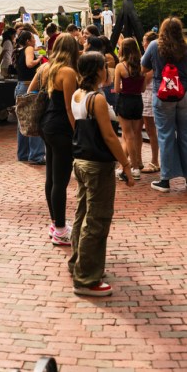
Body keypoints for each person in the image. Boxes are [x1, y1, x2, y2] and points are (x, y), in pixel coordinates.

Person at [68, 50, 133, 297]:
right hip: (97, 165)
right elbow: (109, 135)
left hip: (81, 161)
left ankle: (80, 264)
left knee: (82, 214)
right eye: (105, 67)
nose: (108, 70)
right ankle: (86, 279)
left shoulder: (77, 95)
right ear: (98, 70)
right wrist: (125, 164)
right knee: (97, 219)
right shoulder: (96, 99)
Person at [27, 34, 81, 245]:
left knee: (51, 177)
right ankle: (59, 229)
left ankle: (55, 222)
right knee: (60, 180)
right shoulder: (67, 72)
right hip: (61, 127)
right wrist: (78, 132)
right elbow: (70, 107)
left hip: (46, 125)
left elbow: (29, 91)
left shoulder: (45, 68)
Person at [141, 17, 187, 192]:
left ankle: (166, 180)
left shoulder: (154, 47)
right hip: (186, 94)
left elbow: (143, 69)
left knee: (165, 136)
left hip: (162, 95)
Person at [114, 37, 146, 181]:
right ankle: (127, 165)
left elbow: (116, 88)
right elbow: (143, 88)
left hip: (125, 100)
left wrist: (123, 87)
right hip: (137, 100)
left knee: (128, 135)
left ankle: (133, 167)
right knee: (132, 134)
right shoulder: (140, 66)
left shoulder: (121, 66)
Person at [14, 30, 46, 164]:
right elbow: (29, 64)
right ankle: (36, 156)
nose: (34, 40)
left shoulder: (19, 50)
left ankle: (23, 153)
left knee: (23, 121)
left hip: (20, 86)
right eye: (33, 38)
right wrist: (39, 60)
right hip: (28, 87)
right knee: (34, 120)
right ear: (28, 41)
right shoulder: (29, 49)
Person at [138, 31, 159, 175]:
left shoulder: (152, 59)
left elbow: (145, 78)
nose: (142, 43)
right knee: (137, 129)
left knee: (151, 130)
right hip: (142, 95)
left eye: (144, 41)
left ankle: (155, 161)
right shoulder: (146, 57)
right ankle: (138, 160)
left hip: (148, 95)